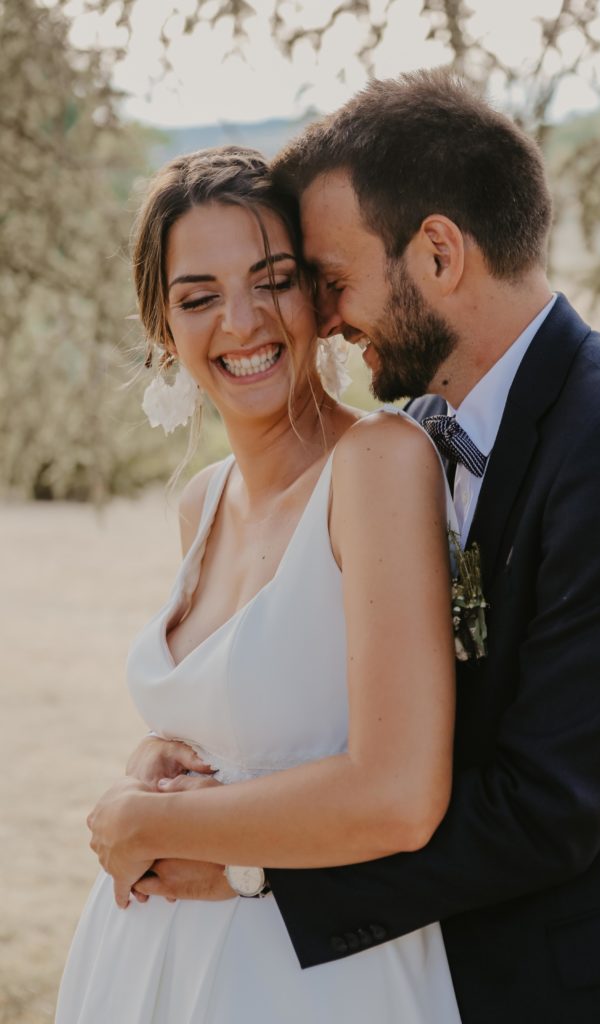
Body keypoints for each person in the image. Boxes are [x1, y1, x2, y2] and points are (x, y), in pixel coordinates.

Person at [124, 71, 600, 1023]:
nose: (328, 318)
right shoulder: (422, 433)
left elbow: (548, 809)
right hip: (424, 966)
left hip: (583, 986)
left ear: (437, 253)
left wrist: (248, 867)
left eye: (329, 281)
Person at [56, 145, 463, 1022]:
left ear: (317, 298)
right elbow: (245, 726)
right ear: (163, 330)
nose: (240, 323)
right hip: (147, 959)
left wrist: (147, 823)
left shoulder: (378, 464)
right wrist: (155, 761)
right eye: (198, 297)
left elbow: (398, 796)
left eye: (271, 281)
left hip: (314, 977)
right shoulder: (201, 504)